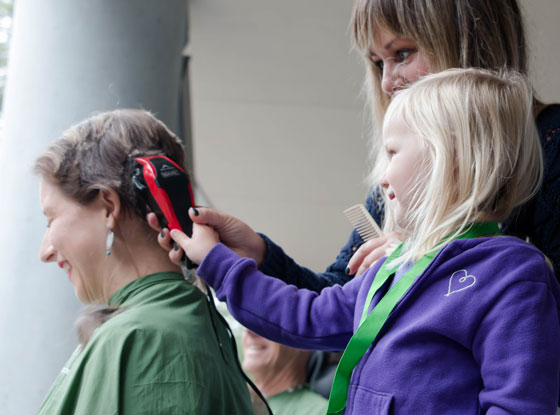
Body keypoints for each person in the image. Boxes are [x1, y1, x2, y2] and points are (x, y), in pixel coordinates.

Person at [169, 69, 560, 414]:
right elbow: (304, 315)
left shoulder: (513, 276)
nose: (382, 177)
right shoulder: (397, 264)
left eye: (392, 153)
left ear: (451, 155)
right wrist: (217, 261)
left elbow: (519, 406)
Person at [159, 0, 559, 291]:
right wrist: (257, 255)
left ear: (471, 40)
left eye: (401, 53)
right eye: (376, 63)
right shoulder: (399, 178)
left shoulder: (551, 140)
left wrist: (418, 264)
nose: (386, 83)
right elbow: (335, 302)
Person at [35, 109, 254, 415]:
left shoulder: (144, 339)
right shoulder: (179, 327)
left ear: (108, 207)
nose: (45, 251)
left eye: (51, 218)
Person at [242, 328, 328, 415]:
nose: (249, 332)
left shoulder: (321, 412)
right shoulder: (236, 399)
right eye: (246, 324)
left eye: (266, 323)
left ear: (303, 341)